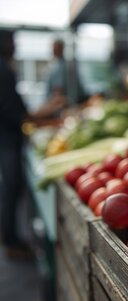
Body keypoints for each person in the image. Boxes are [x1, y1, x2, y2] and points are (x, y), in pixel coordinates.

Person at [0, 30, 64, 259]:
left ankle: (11, 237)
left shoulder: (5, 69)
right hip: (7, 139)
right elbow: (14, 115)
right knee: (11, 187)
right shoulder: (3, 71)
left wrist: (39, 114)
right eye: (12, 42)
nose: (15, 47)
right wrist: (42, 116)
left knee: (11, 188)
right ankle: (10, 240)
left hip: (9, 137)